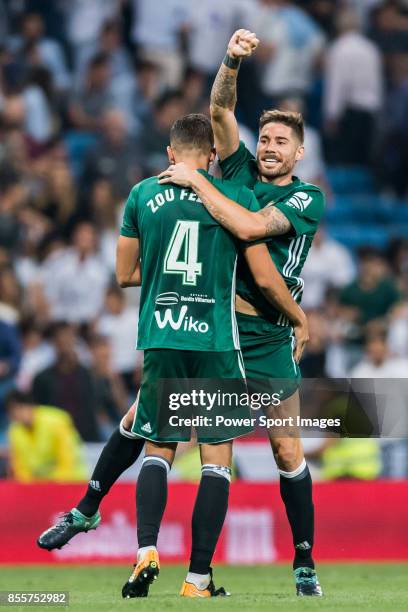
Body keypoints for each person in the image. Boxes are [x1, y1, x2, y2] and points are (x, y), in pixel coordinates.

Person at [37, 113, 309, 599]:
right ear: (211, 157)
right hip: (216, 341)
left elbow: (124, 274)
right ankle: (197, 579)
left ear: (169, 154)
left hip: (162, 333)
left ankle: (141, 547)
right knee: (216, 457)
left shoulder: (142, 194)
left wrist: (166, 274)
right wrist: (299, 317)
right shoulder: (237, 199)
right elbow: (266, 278)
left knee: (156, 447)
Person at [158, 29, 325, 596]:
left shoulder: (307, 198)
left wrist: (198, 181)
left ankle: (304, 560)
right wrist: (231, 59)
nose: (271, 146)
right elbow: (220, 108)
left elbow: (252, 228)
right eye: (266, 138)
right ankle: (198, 575)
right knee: (213, 453)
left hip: (272, 335)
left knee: (286, 448)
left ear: (299, 152)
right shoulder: (240, 173)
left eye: (282, 140)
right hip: (221, 331)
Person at [6, 390, 87, 482]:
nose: (17, 414)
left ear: (31, 406)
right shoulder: (15, 431)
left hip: (70, 481)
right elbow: (20, 467)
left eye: (20, 408)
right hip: (37, 485)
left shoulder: (57, 420)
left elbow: (68, 460)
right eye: (13, 412)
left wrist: (49, 483)